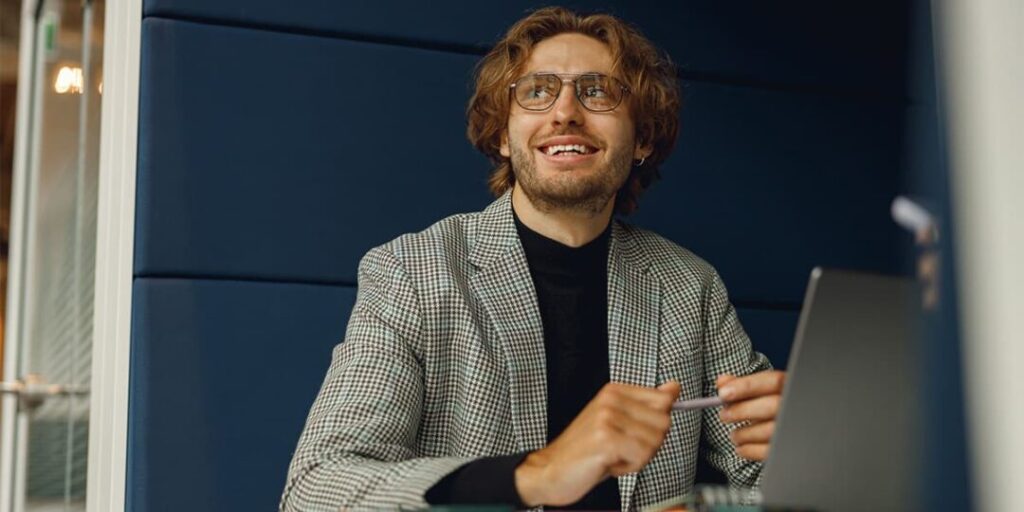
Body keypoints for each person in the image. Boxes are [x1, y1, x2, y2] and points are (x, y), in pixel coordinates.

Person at [280, 7, 786, 511]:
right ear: (503, 134)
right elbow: (317, 488)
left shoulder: (689, 287)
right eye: (537, 91)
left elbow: (771, 479)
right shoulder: (412, 271)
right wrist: (538, 474)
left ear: (643, 140)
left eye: (599, 91)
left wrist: (811, 444)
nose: (565, 111)